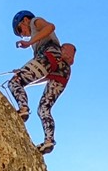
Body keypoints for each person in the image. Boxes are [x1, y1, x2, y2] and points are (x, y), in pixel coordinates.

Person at [7, 11, 76, 154]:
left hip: (49, 55)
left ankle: (23, 109)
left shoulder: (34, 22)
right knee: (43, 109)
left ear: (25, 20)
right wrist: (24, 74)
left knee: (14, 82)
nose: (23, 34)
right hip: (62, 70)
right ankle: (49, 141)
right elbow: (45, 73)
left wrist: (29, 42)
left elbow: (50, 27)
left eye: (20, 30)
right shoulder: (36, 39)